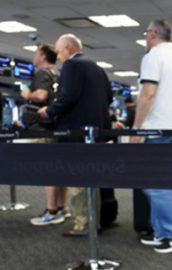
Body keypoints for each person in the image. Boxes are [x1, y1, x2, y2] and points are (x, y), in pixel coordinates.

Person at [38, 34, 112, 236]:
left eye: (60, 51)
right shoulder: (97, 67)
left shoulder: (72, 65)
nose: (59, 56)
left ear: (69, 49)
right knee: (91, 179)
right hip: (97, 133)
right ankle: (92, 221)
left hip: (76, 132)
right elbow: (110, 96)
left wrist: (49, 112)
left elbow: (67, 96)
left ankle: (83, 225)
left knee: (78, 180)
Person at [131, 19, 172, 254]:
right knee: (159, 182)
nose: (146, 36)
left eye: (146, 32)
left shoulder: (153, 56)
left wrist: (137, 129)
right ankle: (163, 233)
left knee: (153, 183)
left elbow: (148, 94)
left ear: (154, 34)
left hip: (155, 128)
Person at [23, 43, 69, 226]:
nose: (34, 56)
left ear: (42, 55)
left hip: (42, 127)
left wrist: (27, 93)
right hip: (56, 126)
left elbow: (40, 96)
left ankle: (51, 211)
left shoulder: (42, 73)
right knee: (59, 169)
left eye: (36, 53)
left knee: (46, 169)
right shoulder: (57, 73)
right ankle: (61, 207)